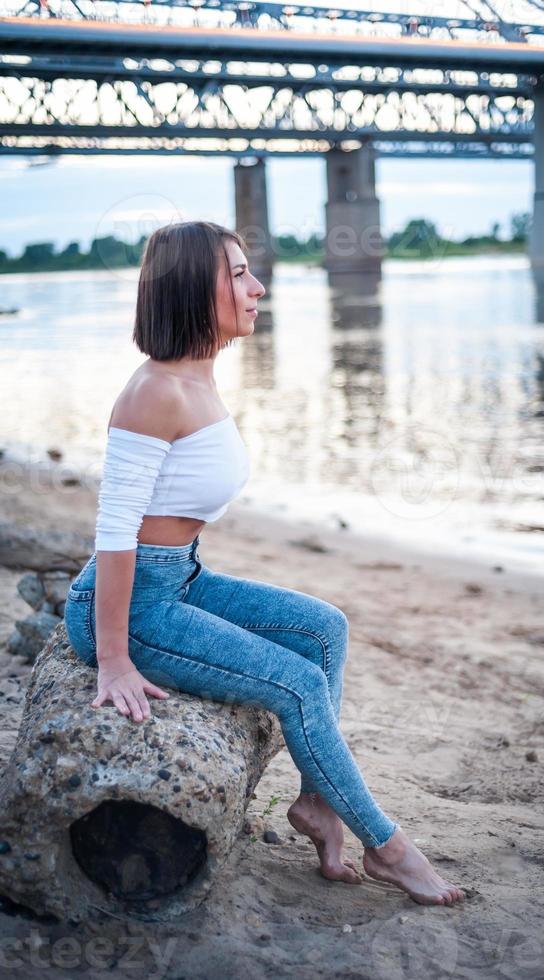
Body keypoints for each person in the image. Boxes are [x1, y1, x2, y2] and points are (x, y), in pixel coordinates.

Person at [64, 220, 465, 906]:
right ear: (195, 287)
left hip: (179, 576)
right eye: (240, 274)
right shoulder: (153, 392)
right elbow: (115, 530)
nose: (258, 287)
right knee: (299, 683)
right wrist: (113, 656)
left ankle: (316, 806)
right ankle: (390, 847)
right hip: (134, 605)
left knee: (322, 628)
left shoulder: (198, 378)